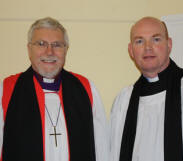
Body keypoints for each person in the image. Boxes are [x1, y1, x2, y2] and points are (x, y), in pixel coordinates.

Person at [0, 17, 109, 161]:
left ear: (66, 50)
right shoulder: (8, 90)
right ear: (29, 49)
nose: (49, 52)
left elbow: (102, 149)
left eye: (57, 45)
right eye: (41, 44)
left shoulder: (85, 89)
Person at [110, 16, 183, 161]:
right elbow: (114, 155)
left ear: (169, 44)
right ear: (131, 50)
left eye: (156, 39)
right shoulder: (124, 100)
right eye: (139, 41)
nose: (148, 47)